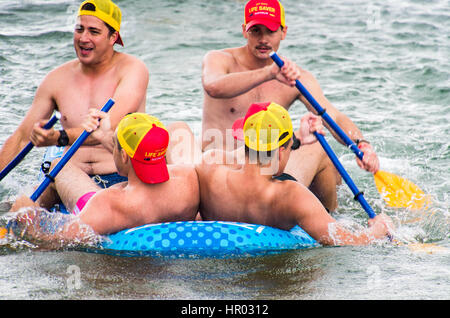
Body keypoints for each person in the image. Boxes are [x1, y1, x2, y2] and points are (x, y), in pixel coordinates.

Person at [196, 0, 380, 212]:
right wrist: (269, 73)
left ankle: (332, 220)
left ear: (283, 32)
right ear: (244, 31)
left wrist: (361, 144)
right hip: (219, 170)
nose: (263, 39)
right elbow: (213, 86)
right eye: (255, 30)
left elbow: (333, 117)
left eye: (271, 31)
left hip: (264, 172)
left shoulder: (295, 77)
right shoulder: (220, 59)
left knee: (322, 149)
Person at [0, 0, 149, 207]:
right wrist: (37, 135)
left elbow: (106, 128)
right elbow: (20, 138)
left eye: (94, 31)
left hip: (117, 176)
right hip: (67, 178)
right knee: (18, 208)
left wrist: (56, 137)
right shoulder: (56, 79)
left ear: (113, 37)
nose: (83, 38)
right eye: (79, 29)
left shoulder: (132, 69)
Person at [193, 102, 393, 246]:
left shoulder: (208, 166)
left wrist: (296, 138)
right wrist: (377, 230)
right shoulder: (291, 196)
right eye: (289, 147)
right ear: (281, 151)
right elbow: (344, 241)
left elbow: (237, 155)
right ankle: (334, 211)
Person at [8, 112, 200, 243]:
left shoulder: (108, 203)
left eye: (114, 145)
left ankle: (21, 209)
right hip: (143, 203)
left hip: (105, 213)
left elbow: (60, 240)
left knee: (58, 165)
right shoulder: (188, 179)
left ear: (124, 155)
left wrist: (27, 219)